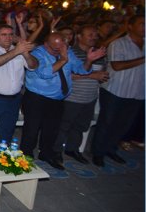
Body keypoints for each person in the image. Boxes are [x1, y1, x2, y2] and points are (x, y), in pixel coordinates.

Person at [21, 33, 105, 170]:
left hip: (57, 98)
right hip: (37, 97)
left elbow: (81, 70)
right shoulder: (37, 53)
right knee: (32, 129)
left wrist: (89, 60)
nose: (60, 51)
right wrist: (63, 59)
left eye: (62, 47)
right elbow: (44, 73)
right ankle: (26, 156)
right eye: (55, 49)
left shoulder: (67, 51)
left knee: (52, 129)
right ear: (46, 44)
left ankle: (46, 154)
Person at [92, 15, 144, 167]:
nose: (145, 27)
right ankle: (98, 152)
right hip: (116, 90)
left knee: (124, 124)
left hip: (138, 91)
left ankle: (111, 149)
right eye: (142, 24)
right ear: (130, 27)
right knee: (107, 122)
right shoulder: (118, 44)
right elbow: (117, 66)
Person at [53, 25, 108, 164]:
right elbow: (66, 75)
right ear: (79, 37)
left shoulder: (99, 54)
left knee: (80, 126)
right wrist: (92, 76)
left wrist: (101, 75)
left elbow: (101, 74)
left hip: (89, 97)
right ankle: (56, 150)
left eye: (95, 35)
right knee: (63, 126)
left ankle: (72, 149)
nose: (93, 37)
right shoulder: (71, 53)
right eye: (90, 34)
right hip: (72, 97)